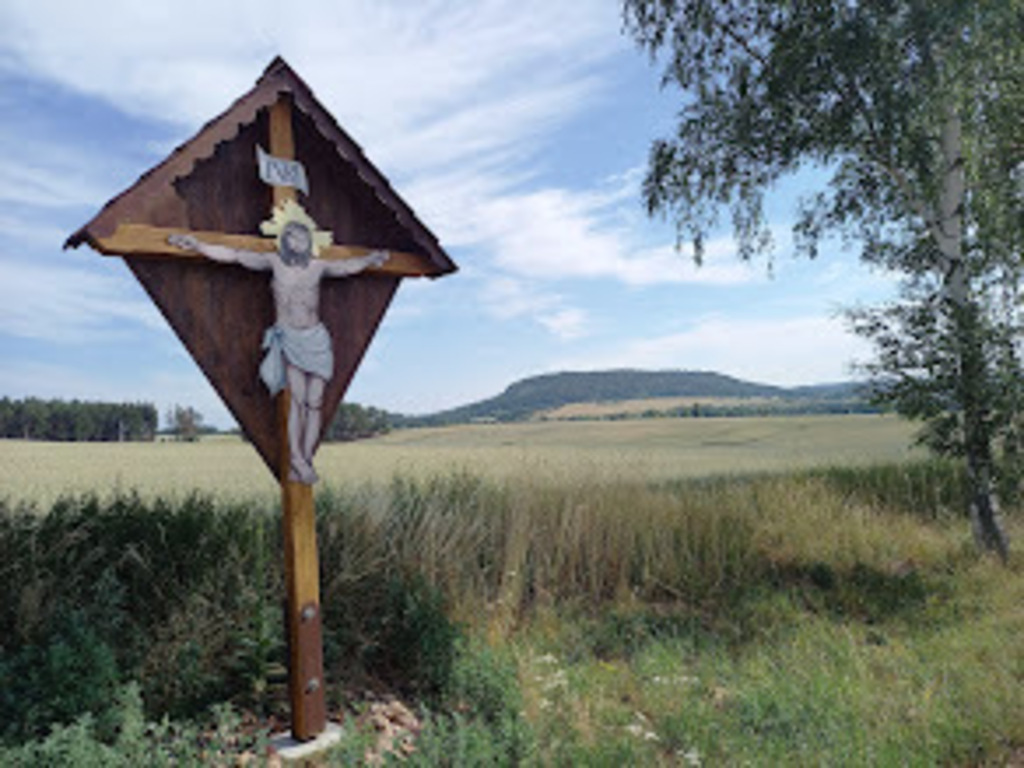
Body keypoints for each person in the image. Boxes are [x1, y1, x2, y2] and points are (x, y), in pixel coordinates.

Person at [168, 204, 388, 484]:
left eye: (303, 237)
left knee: (315, 402)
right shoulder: (274, 262)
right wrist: (198, 245)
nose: (298, 242)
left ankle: (305, 458)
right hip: (290, 337)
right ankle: (296, 458)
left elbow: (345, 267)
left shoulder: (318, 266)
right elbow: (235, 255)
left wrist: (370, 259)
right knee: (297, 400)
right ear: (285, 241)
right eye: (293, 237)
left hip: (316, 338)